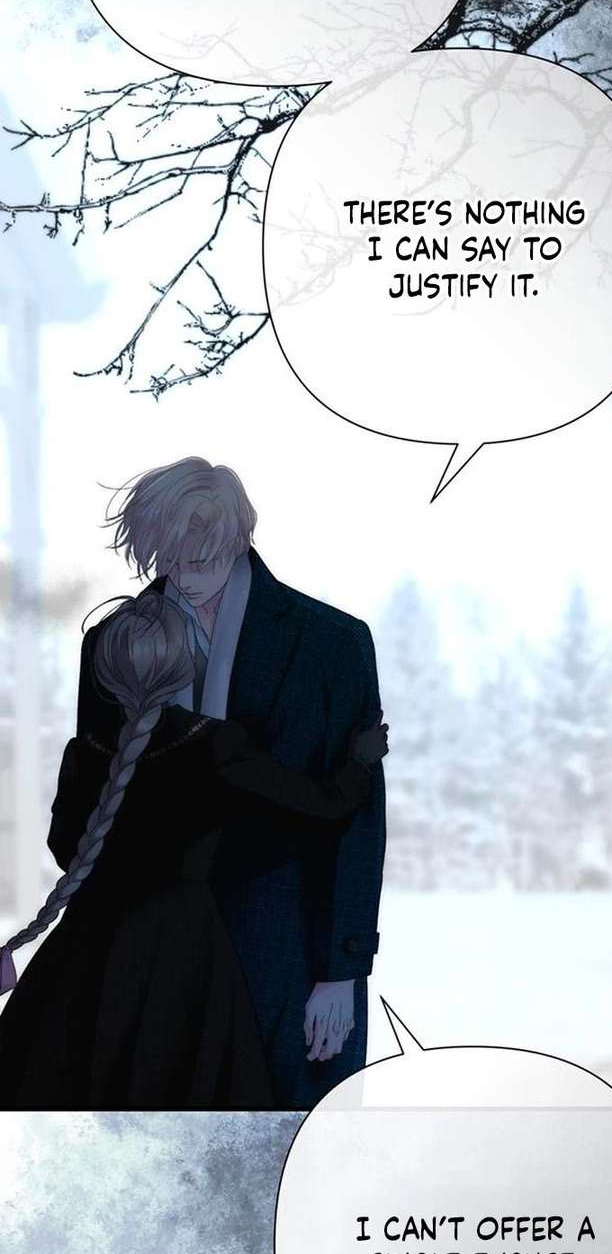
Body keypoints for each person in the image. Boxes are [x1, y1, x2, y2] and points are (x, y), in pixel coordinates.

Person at [0, 458, 387, 1111]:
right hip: (139, 962)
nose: (186, 571)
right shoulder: (112, 641)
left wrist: (341, 969)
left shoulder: (331, 641)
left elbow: (356, 822)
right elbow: (97, 816)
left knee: (283, 1145)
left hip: (285, 949)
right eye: (171, 555)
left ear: (239, 535)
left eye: (203, 554)